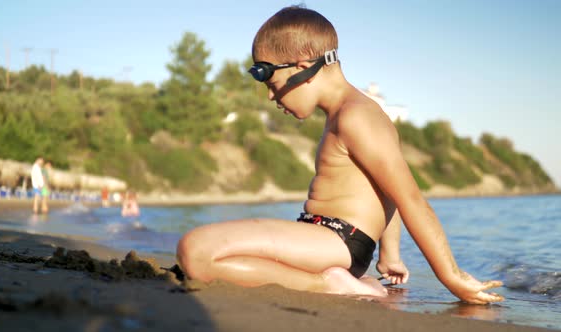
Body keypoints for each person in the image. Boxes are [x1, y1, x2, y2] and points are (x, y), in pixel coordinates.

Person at [176, 6, 503, 304]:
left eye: (270, 79)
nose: (270, 95)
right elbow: (382, 187)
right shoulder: (346, 114)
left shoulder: (356, 116)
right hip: (326, 238)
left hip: (337, 240)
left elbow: (410, 198)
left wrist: (452, 277)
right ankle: (333, 280)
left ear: (302, 67)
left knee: (196, 251)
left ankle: (331, 285)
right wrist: (390, 254)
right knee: (203, 252)